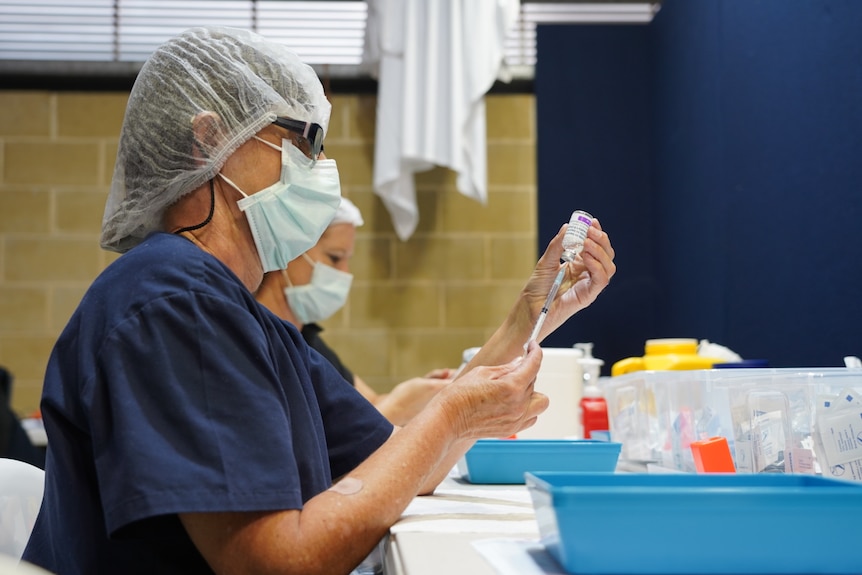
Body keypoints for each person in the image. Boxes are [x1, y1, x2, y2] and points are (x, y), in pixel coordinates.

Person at [22, 26, 616, 575]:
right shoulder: (174, 302)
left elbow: (410, 466)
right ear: (209, 141)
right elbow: (275, 564)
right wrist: (452, 412)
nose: (323, 167)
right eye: (305, 139)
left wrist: (533, 312)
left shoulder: (244, 317)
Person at [255, 197, 453, 426]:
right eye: (335, 258)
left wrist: (420, 397)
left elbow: (369, 403)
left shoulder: (307, 340)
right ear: (288, 250)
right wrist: (400, 406)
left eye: (347, 260)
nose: (345, 273)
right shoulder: (259, 338)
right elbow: (329, 447)